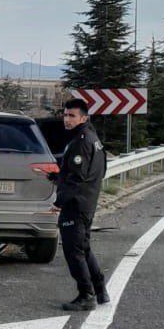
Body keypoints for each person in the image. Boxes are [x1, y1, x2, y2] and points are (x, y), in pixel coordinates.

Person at [47, 98, 108, 311]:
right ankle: (100, 290)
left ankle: (86, 295)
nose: (67, 119)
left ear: (84, 117)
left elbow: (77, 178)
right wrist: (55, 178)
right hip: (87, 201)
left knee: (74, 252)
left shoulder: (80, 141)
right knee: (84, 248)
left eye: (72, 116)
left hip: (77, 204)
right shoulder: (92, 138)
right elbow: (95, 170)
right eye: (65, 115)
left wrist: (59, 202)